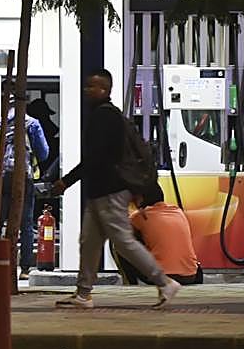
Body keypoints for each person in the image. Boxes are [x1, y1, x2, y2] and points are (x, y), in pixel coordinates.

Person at [52, 69, 182, 309]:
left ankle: (164, 282)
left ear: (105, 89)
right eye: (87, 85)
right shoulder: (105, 115)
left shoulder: (105, 117)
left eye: (92, 86)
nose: (87, 90)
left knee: (123, 241)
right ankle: (83, 294)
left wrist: (67, 181)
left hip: (110, 190)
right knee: (89, 242)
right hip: (100, 191)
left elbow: (97, 157)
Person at [0, 90, 50, 278]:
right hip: (23, 179)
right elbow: (44, 153)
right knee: (25, 224)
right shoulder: (32, 124)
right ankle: (26, 268)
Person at [120, 181, 202, 285]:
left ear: (140, 199)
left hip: (162, 277)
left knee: (120, 242)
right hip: (190, 276)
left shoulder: (141, 216)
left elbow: (122, 233)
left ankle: (130, 284)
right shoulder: (178, 211)